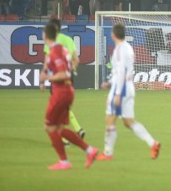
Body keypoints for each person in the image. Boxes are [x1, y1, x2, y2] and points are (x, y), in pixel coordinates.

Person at [95, 24, 161, 161]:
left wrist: (117, 93)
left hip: (121, 89)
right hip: (128, 87)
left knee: (110, 119)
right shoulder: (128, 48)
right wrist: (110, 83)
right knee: (128, 121)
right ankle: (152, 143)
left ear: (113, 34)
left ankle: (107, 153)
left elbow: (121, 73)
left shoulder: (120, 50)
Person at [40, 23, 99, 170]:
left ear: (46, 35)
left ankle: (64, 162)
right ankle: (89, 151)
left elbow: (63, 74)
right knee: (59, 127)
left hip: (61, 91)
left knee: (49, 126)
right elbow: (73, 63)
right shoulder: (63, 49)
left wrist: (46, 77)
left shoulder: (55, 51)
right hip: (66, 90)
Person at [41, 19, 85, 141]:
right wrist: (70, 70)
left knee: (57, 109)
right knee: (64, 107)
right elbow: (76, 59)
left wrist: (43, 80)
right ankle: (78, 129)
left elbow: (47, 62)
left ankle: (65, 139)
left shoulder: (51, 43)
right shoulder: (68, 40)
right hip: (68, 77)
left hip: (56, 79)